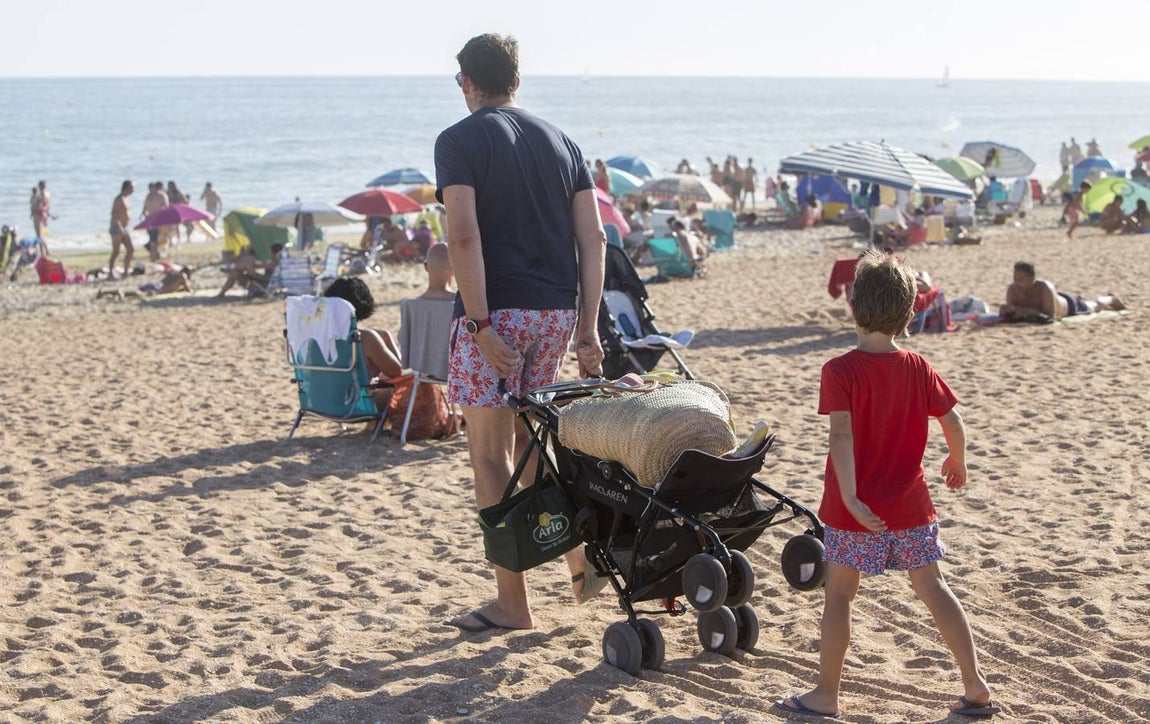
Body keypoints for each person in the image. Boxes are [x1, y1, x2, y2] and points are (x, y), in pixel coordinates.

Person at [776, 249, 998, 719]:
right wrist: (957, 461)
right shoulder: (918, 367)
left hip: (853, 508)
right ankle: (975, 684)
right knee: (935, 588)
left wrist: (853, 497)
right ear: (909, 312)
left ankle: (826, 695)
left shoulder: (840, 370)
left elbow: (842, 435)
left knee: (839, 596)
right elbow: (954, 420)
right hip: (911, 505)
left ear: (853, 307)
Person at [435, 32, 606, 632]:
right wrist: (587, 326)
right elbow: (594, 238)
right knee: (534, 446)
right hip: (555, 312)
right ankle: (580, 567)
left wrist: (479, 323)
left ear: (466, 82)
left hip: (498, 310)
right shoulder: (563, 141)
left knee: (489, 454)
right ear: (516, 79)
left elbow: (463, 237)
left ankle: (513, 603)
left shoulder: (458, 140)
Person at [322, 276, 403, 406]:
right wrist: (388, 339)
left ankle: (372, 426)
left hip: (320, 402)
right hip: (355, 405)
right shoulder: (364, 338)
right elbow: (396, 372)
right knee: (408, 386)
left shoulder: (316, 338)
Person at [1000, 261, 1124, 323]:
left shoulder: (1044, 288)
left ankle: (1110, 299)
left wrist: (1029, 312)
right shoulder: (1012, 290)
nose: (1017, 283)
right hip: (1056, 300)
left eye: (1021, 280)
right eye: (1015, 279)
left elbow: (1051, 317)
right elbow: (1011, 313)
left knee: (1095, 306)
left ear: (1033, 279)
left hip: (1069, 306)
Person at [216, 242, 282, 297]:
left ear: (274, 253)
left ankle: (231, 271)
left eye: (270, 252)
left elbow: (265, 267)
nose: (269, 254)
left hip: (266, 282)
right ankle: (222, 292)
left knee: (243, 266)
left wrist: (249, 265)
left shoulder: (277, 262)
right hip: (263, 281)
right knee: (235, 272)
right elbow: (260, 265)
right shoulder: (276, 261)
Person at [108, 180, 135, 278]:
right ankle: (110, 272)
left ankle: (126, 272)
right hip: (117, 227)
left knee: (130, 249)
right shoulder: (119, 199)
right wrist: (119, 227)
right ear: (127, 187)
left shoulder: (126, 198)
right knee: (116, 251)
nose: (134, 189)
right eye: (132, 187)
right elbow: (114, 214)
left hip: (124, 227)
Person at [141, 182, 170, 260]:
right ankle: (154, 257)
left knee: (157, 241)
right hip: (155, 221)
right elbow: (145, 209)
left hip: (156, 221)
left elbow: (166, 208)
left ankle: (155, 257)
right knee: (155, 241)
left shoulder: (157, 196)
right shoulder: (154, 196)